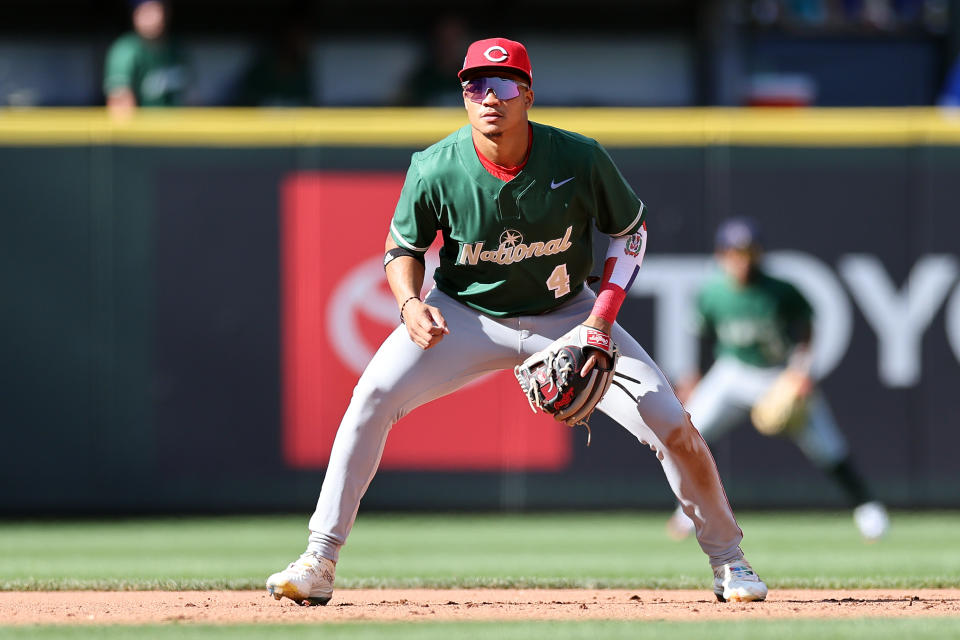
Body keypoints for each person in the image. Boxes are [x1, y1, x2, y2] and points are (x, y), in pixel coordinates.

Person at [266, 37, 768, 606]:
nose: (489, 98)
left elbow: (631, 232)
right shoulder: (435, 166)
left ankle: (730, 561)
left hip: (568, 313)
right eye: (475, 86)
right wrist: (409, 304)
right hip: (466, 313)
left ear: (527, 94)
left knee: (668, 418)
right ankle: (319, 559)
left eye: (503, 86)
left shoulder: (578, 157)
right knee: (372, 395)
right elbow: (401, 247)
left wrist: (600, 320)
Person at [667, 217, 890, 542]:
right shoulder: (712, 293)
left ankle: (868, 508)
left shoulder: (780, 291)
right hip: (732, 372)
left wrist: (800, 370)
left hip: (777, 374)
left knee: (828, 446)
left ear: (759, 254)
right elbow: (703, 337)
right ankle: (689, 511)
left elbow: (807, 330)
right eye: (734, 252)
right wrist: (695, 375)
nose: (741, 260)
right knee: (688, 433)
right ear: (721, 255)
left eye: (748, 252)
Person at [103, 0, 188, 118]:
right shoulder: (125, 50)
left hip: (178, 131)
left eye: (159, 8)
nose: (156, 16)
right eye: (147, 10)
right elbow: (120, 108)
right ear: (135, 14)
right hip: (143, 133)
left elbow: (193, 99)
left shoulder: (177, 49)